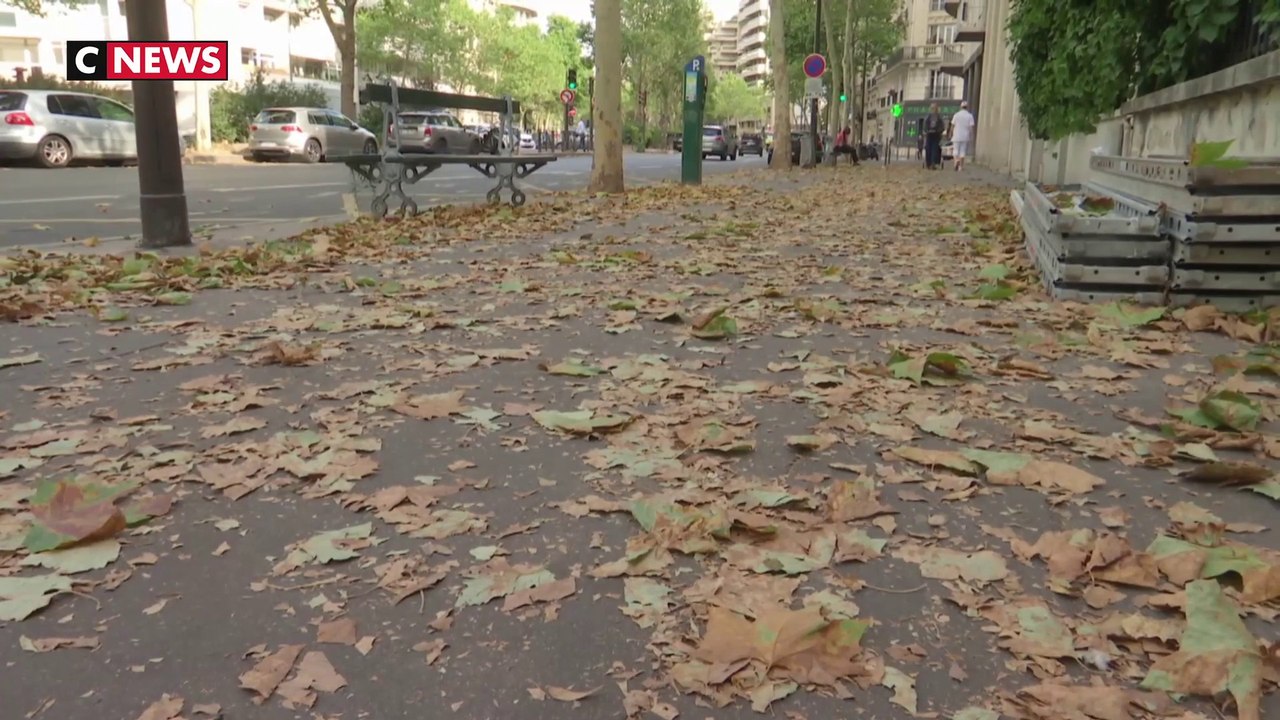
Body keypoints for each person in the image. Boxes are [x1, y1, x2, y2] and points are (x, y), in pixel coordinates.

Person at [950, 100, 975, 171]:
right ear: (967, 107)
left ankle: (956, 160)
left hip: (956, 135)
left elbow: (952, 126)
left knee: (955, 150)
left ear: (961, 107)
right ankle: (961, 167)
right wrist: (971, 135)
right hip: (965, 136)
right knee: (962, 151)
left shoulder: (956, 115)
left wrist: (951, 133)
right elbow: (971, 127)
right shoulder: (970, 116)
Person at [923, 102, 945, 170]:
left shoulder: (937, 117)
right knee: (930, 149)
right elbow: (925, 125)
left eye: (934, 108)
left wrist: (938, 131)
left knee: (933, 149)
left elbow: (942, 126)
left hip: (934, 135)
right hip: (932, 135)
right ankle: (930, 163)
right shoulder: (935, 117)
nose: (933, 109)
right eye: (932, 108)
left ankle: (932, 163)